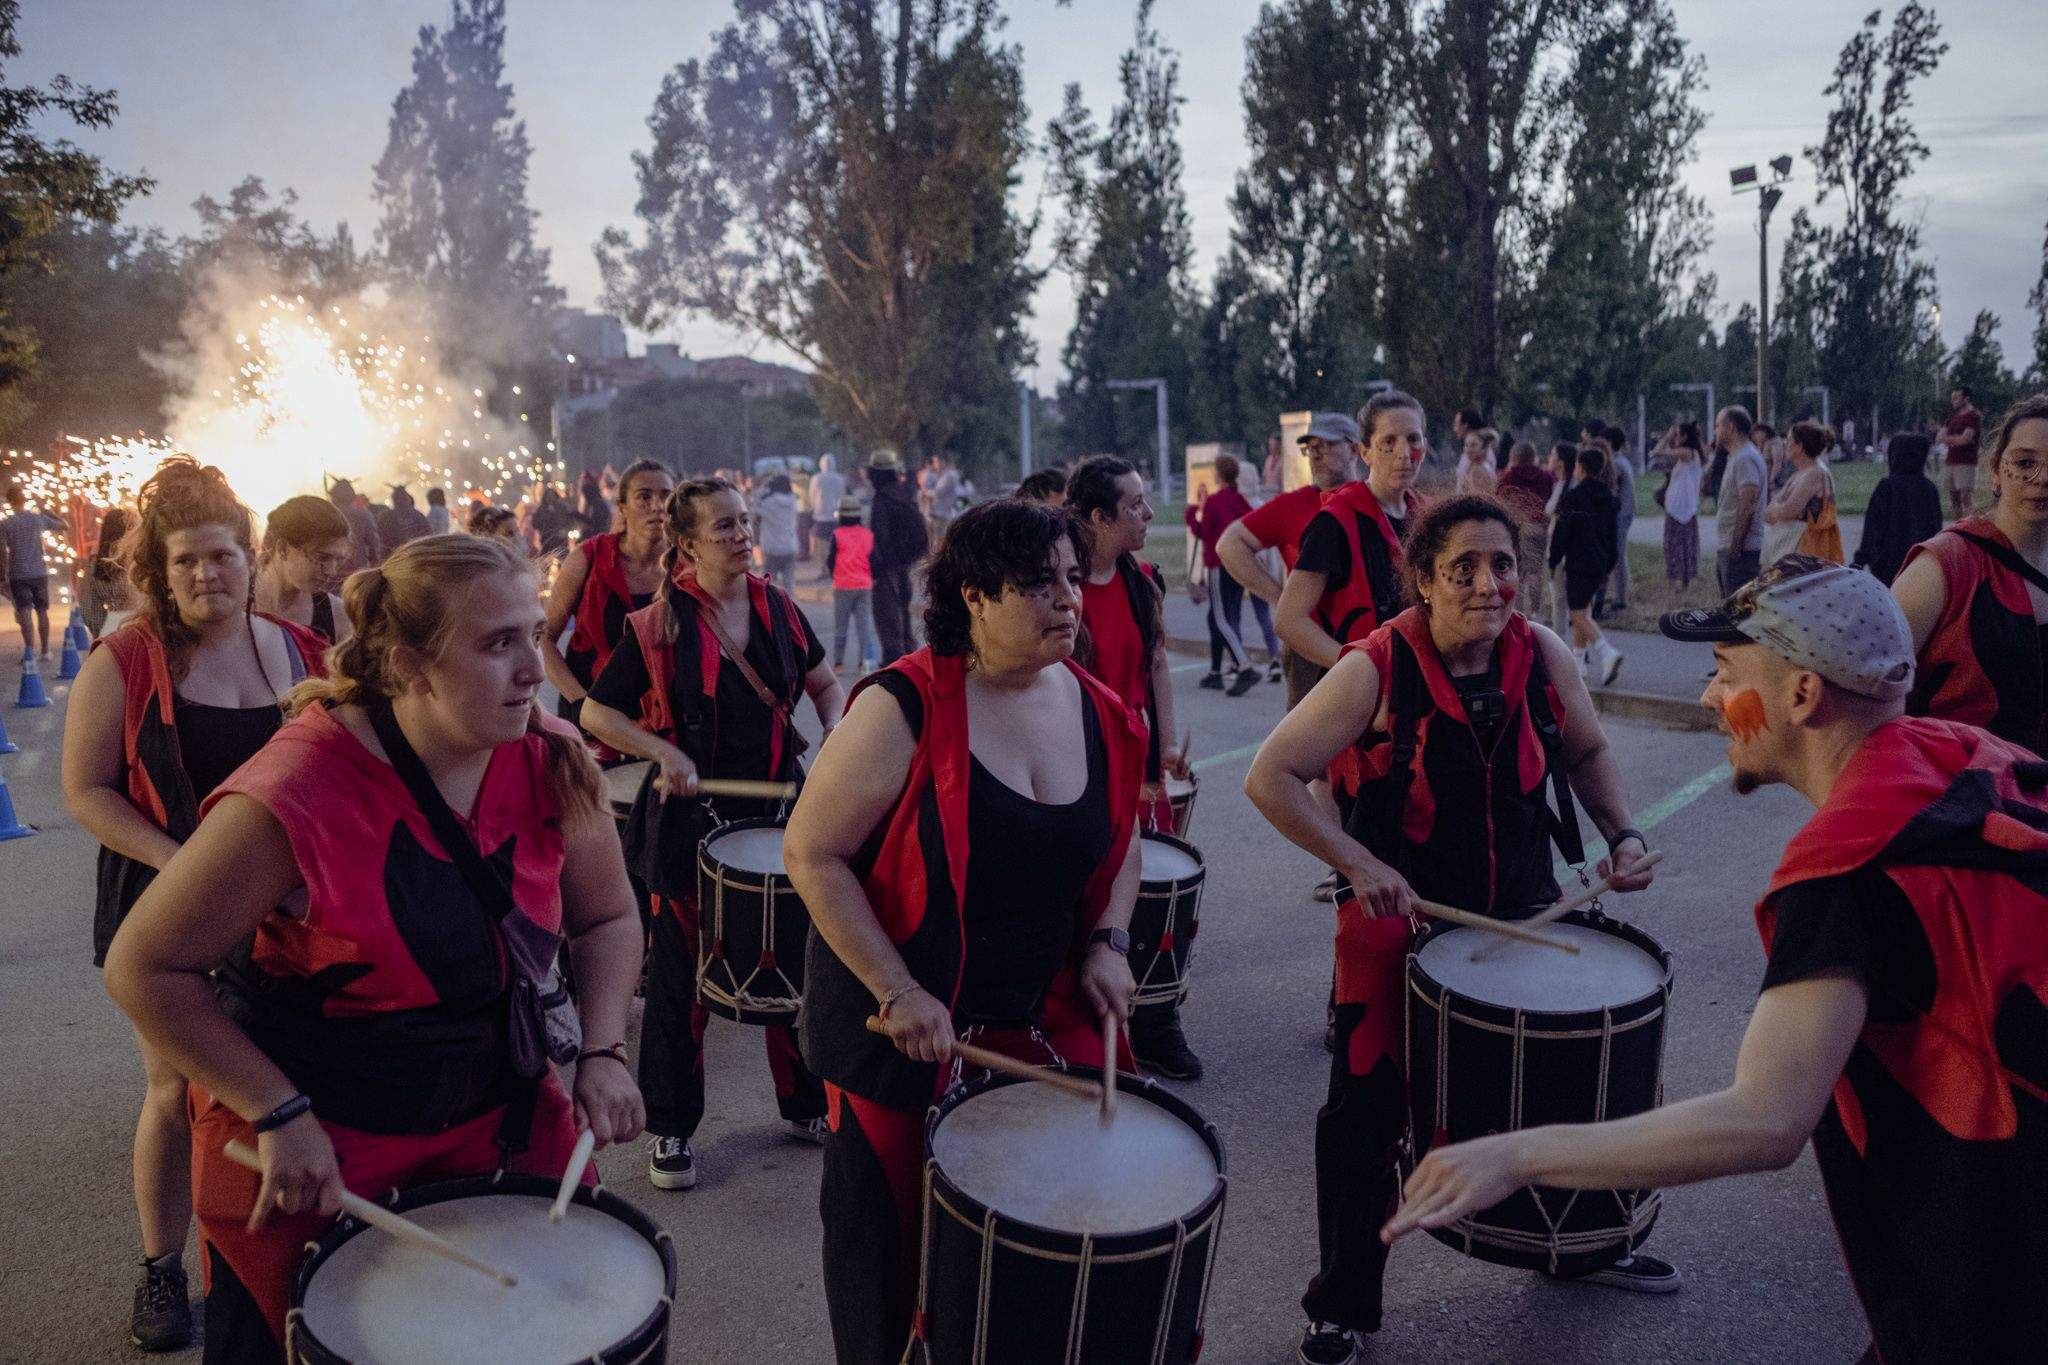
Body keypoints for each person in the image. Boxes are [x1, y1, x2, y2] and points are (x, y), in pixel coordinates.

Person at [1390, 555, 2048, 1365]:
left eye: (1724, 672)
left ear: (1802, 695)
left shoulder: (1846, 866)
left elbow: (1765, 1118)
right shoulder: (1972, 753)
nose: (1708, 696)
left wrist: (1513, 1152)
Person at [103, 532, 645, 1362]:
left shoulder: (551, 754)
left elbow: (605, 917)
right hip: (319, 1126)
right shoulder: (296, 789)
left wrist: (604, 1049)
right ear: (408, 665)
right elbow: (144, 966)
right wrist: (274, 1109)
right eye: (498, 643)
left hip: (492, 1103)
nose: (535, 669)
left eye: (533, 634)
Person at [1246, 495, 1665, 1364]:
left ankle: (1583, 1244)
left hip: (1518, 911)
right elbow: (1272, 776)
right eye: (1464, 567)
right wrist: (1358, 864)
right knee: (1365, 1113)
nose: (1489, 583)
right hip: (1396, 929)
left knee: (1565, 1090)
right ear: (1426, 580)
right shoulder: (1375, 666)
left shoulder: (1542, 654)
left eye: (1504, 564)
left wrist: (1622, 833)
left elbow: (1585, 752)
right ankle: (1342, 1302)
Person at [786, 498, 1143, 1365]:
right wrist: (896, 988)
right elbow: (811, 852)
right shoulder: (900, 705)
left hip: (1035, 1010)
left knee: (1063, 1231)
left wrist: (1109, 940)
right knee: (889, 1250)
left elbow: (1126, 840)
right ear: (975, 596)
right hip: (900, 1021)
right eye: (1038, 585)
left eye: (1070, 579)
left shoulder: (1103, 711)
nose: (1068, 600)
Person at [62, 458, 331, 1353]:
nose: (205, 575)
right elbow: (87, 792)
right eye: (184, 562)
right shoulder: (126, 658)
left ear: (251, 559)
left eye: (220, 556)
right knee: (178, 1087)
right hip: (163, 906)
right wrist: (187, 867)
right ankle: (161, 1268)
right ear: (158, 573)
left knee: (277, 1086)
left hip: (286, 914)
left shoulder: (301, 651)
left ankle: (279, 1261)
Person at [579, 478, 844, 1191]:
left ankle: (804, 1102)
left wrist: (834, 739)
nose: (741, 533)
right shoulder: (658, 624)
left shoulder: (780, 607)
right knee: (680, 980)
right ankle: (670, 1126)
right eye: (724, 525)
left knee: (788, 962)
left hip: (778, 813)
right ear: (688, 544)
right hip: (689, 830)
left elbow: (826, 684)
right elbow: (596, 716)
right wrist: (663, 752)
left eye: (745, 521)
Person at [1068, 456, 1198, 1079]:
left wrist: (1168, 746)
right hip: (1078, 764)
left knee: (1153, 899)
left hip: (1139, 766)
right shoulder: (1059, 586)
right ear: (1098, 518)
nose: (1148, 515)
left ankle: (1158, 1021)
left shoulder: (1143, 579)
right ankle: (1087, 1032)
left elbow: (1155, 667)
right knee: (1086, 901)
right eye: (1136, 507)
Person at [1220, 412, 1366, 901]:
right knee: (1319, 761)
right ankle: (1341, 862)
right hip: (1309, 648)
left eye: (1327, 445)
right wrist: (1273, 595)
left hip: (1371, 646)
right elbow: (1230, 543)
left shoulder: (1374, 502)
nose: (1316, 455)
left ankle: (1374, 854)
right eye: (1310, 448)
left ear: (1355, 447)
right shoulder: (1296, 506)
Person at [1279, 391, 1431, 831]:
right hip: (1369, 706)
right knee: (1372, 836)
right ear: (1364, 451)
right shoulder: (1336, 522)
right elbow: (1289, 620)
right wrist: (1358, 668)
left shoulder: (1425, 517)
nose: (1404, 453)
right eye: (1388, 442)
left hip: (1420, 695)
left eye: (1413, 439)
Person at [1892, 395, 2048, 754]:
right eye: (2025, 462)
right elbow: (1864, 689)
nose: (2042, 479)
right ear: (1995, 468)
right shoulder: (1946, 564)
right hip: (1960, 796)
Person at [541, 459, 675, 739]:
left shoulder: (685, 565)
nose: (656, 505)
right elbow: (543, 638)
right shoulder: (588, 559)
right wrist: (580, 702)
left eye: (665, 495)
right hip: (588, 715)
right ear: (623, 507)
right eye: (644, 497)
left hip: (660, 722)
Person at [1549, 445, 1625, 685]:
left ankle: (1606, 652)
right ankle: (1578, 665)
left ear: (1580, 467)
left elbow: (1562, 533)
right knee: (1585, 611)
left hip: (1578, 562)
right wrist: (1610, 563)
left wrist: (1553, 560)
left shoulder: (1574, 497)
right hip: (1600, 562)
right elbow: (1614, 536)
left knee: (1577, 614)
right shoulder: (1609, 498)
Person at [1187, 453, 1261, 694]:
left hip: (1218, 563)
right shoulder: (1239, 500)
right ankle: (1216, 671)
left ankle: (1243, 665)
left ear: (1218, 474)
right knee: (1223, 615)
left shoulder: (1215, 501)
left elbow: (1204, 532)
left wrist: (1190, 514)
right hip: (1237, 564)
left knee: (1220, 618)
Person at [253, 495, 353, 646]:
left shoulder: (337, 615)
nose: (331, 571)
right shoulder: (236, 606)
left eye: (339, 560)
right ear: (284, 549)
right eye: (322, 557)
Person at [1853, 433, 1942, 586]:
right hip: (1921, 564)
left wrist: (1860, 560)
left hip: (1888, 565)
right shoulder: (1929, 489)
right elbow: (1936, 528)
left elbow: (1873, 528)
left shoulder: (1887, 487)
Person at [865, 450, 928, 665]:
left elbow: (879, 537)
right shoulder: (906, 493)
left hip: (887, 566)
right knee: (904, 613)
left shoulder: (882, 499)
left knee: (886, 615)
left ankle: (894, 665)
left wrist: (877, 565)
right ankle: (910, 660)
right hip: (906, 563)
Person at [1, 484, 68, 658]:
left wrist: (2, 576)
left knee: (24, 611)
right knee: (42, 611)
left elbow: (2, 552)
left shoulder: (6, 524)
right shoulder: (37, 519)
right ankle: (45, 650)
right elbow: (64, 526)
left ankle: (29, 650)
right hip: (39, 572)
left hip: (18, 573)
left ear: (9, 502)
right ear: (25, 500)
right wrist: (48, 511)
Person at [1764, 422, 1844, 564]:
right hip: (1791, 551)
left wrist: (1779, 509)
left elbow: (1788, 510)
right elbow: (1768, 513)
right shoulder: (1799, 474)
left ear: (1800, 446)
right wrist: (1779, 509)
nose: (1785, 444)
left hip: (1806, 554)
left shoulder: (1815, 473)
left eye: (1789, 440)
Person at [1715, 406, 1768, 596]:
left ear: (1730, 428)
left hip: (1741, 552)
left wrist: (1736, 548)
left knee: (1737, 615)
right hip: (1731, 549)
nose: (1716, 430)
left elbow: (1747, 506)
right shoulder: (1737, 456)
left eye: (1718, 425)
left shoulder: (1745, 458)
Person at [827, 494, 877, 671]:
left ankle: (839, 664)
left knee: (841, 627)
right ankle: (866, 663)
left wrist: (834, 574)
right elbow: (874, 560)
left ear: (840, 516)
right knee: (864, 628)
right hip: (864, 585)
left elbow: (830, 560)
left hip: (842, 586)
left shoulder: (837, 534)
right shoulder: (868, 534)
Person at [1654, 422, 1705, 590]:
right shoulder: (1690, 453)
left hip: (1681, 509)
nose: (1675, 438)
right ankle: (1681, 581)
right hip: (1679, 507)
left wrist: (1668, 437)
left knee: (1677, 545)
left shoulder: (1687, 452)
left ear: (1684, 436)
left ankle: (1679, 582)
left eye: (1678, 435)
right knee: (1683, 545)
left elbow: (1657, 453)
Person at [80, 507, 135, 638]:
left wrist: (98, 629)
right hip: (140, 627)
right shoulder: (139, 560)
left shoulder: (95, 563)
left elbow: (89, 605)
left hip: (111, 626)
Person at [1604, 424, 1636, 614]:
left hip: (1620, 514)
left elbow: (1612, 487)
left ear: (1609, 442)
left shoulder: (1616, 464)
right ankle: (1618, 594)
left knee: (1618, 556)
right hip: (1625, 513)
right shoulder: (1622, 460)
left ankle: (1620, 598)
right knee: (1618, 556)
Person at [1941, 384, 1983, 520]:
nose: (1954, 400)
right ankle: (1958, 526)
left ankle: (1971, 527)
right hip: (1951, 461)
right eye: (1952, 398)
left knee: (1966, 497)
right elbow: (1938, 438)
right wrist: (1955, 439)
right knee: (1954, 498)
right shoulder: (1952, 417)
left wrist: (1948, 439)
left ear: (1966, 398)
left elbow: (1965, 439)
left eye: (1957, 398)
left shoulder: (1973, 416)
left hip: (1966, 462)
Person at [325, 478, 381, 572]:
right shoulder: (362, 513)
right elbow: (373, 541)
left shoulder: (324, 513)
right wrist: (374, 562)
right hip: (357, 566)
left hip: (330, 567)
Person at [756, 472, 801, 589]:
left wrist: (762, 487)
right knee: (789, 584)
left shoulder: (768, 503)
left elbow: (756, 508)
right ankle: (789, 606)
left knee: (767, 585)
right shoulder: (793, 502)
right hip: (790, 547)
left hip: (772, 548)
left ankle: (770, 607)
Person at [809, 454, 847, 565]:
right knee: (835, 542)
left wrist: (814, 508)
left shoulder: (816, 478)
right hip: (836, 515)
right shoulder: (840, 478)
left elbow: (812, 495)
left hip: (820, 515)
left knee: (822, 543)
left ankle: (824, 568)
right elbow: (843, 496)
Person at [372, 485, 432, 553]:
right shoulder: (418, 515)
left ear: (393, 498)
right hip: (416, 555)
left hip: (395, 557)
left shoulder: (386, 517)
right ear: (407, 498)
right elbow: (428, 536)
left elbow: (380, 539)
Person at [921, 453, 961, 547]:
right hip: (940, 512)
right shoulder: (944, 475)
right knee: (937, 540)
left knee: (941, 541)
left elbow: (938, 492)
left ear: (943, 462)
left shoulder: (949, 476)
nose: (935, 465)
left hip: (943, 512)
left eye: (936, 462)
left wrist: (926, 492)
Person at [1455, 427, 1498, 496]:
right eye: (1466, 445)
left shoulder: (1479, 470)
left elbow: (1478, 500)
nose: (1468, 449)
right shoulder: (1476, 467)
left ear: (1484, 448)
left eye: (1473, 445)